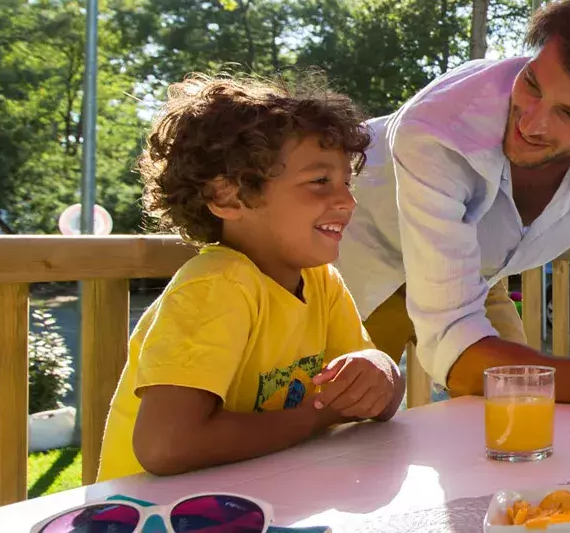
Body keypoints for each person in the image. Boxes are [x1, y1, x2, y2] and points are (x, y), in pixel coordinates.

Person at [336, 0, 570, 412]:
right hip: (359, 264)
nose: (531, 122)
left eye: (569, 114)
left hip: (473, 273)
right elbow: (454, 346)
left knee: (524, 412)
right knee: (334, 431)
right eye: (531, 84)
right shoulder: (436, 128)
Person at [98, 75, 403, 481]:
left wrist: (378, 369)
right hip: (153, 516)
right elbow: (166, 446)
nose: (348, 201)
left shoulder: (321, 281)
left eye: (346, 183)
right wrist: (318, 415)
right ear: (228, 197)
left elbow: (380, 397)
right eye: (319, 182)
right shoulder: (216, 286)